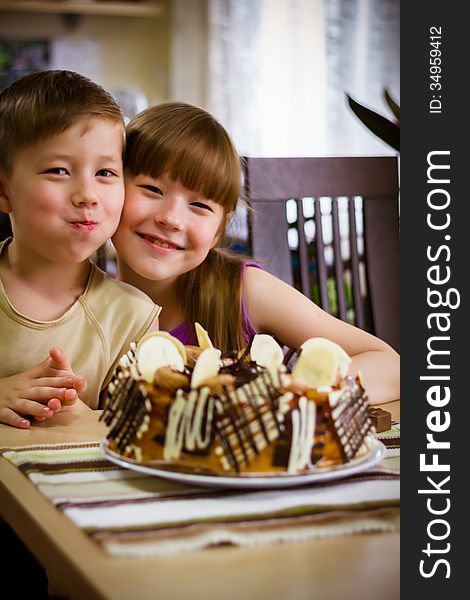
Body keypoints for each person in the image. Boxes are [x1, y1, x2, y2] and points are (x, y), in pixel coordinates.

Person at [112, 101, 399, 405]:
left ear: (218, 232)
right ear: (111, 185)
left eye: (199, 206)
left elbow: (390, 366)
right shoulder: (80, 303)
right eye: (151, 189)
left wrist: (278, 395)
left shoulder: (243, 292)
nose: (170, 218)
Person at [0, 70, 160, 429]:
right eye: (58, 170)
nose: (87, 194)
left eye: (105, 173)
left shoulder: (132, 318)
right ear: (4, 191)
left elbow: (138, 435)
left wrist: (80, 417)